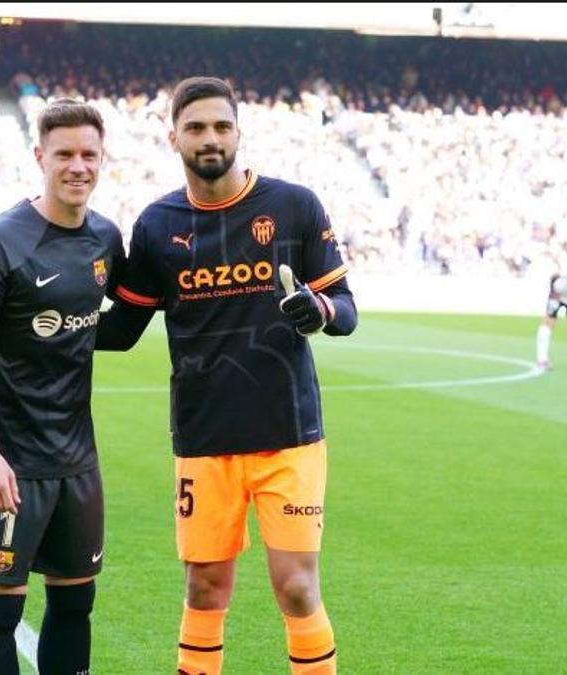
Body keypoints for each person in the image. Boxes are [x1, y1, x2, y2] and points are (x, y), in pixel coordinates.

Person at [96, 77, 357, 675]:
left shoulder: (293, 205)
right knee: (205, 589)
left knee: (295, 587)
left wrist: (318, 311)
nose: (209, 138)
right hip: (203, 437)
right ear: (173, 138)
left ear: (238, 131)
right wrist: (44, 326)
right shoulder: (158, 224)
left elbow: (344, 309)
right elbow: (122, 328)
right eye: (195, 128)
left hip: (287, 435)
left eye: (220, 126)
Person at [0, 101, 124, 675]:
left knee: (76, 605)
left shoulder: (105, 238)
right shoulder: (0, 241)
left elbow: (119, 325)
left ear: (102, 160)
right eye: (65, 154)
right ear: (39, 157)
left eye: (89, 155)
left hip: (76, 459)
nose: (78, 166)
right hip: (9, 460)